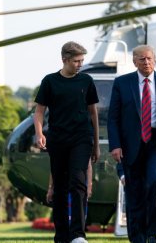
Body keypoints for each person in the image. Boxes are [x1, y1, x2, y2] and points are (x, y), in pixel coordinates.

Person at [107, 45, 156, 243]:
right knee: (135, 192)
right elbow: (113, 117)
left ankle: (152, 232)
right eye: (141, 59)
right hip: (131, 144)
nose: (146, 62)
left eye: (149, 58)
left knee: (155, 184)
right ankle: (137, 237)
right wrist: (115, 145)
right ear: (134, 61)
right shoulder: (122, 83)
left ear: (154, 59)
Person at [34, 41, 100, 243]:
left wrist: (95, 143)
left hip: (81, 138)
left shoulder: (86, 81)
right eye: (77, 61)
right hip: (58, 139)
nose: (80, 64)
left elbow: (93, 113)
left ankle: (78, 235)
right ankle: (62, 235)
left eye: (82, 60)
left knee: (78, 183)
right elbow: (39, 111)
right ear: (65, 60)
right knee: (60, 187)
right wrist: (39, 133)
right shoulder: (50, 81)